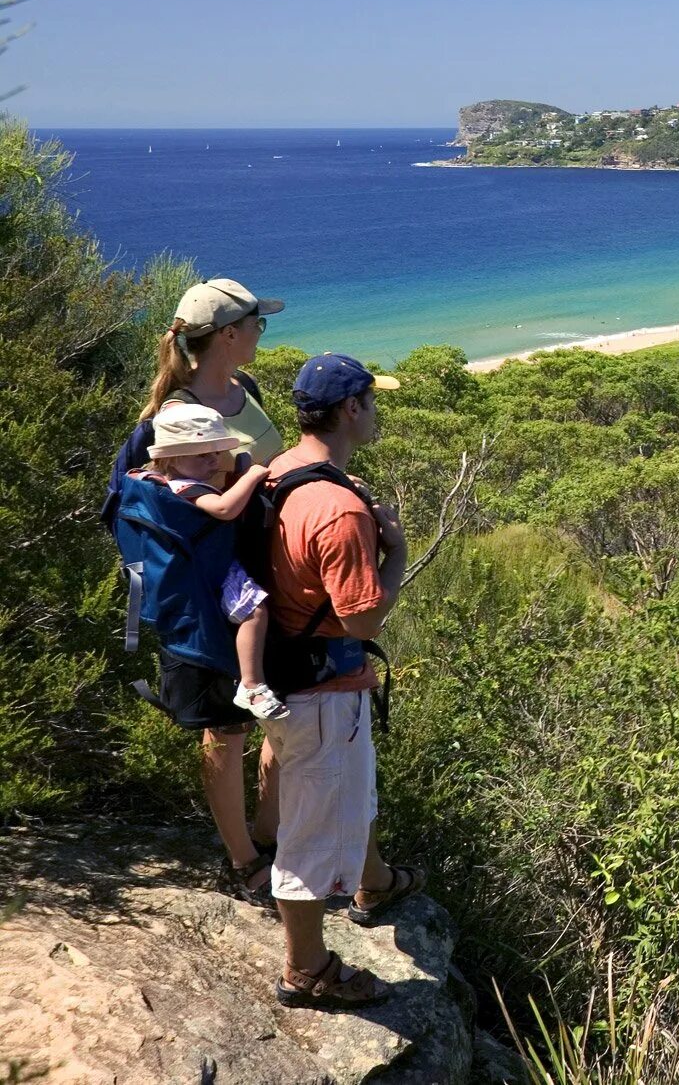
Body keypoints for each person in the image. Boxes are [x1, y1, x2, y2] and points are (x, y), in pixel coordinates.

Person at [106, 277, 288, 906]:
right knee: (225, 730)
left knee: (278, 717)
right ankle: (244, 859)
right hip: (209, 597)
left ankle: (269, 836)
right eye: (257, 324)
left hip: (265, 579)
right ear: (230, 334)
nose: (264, 333)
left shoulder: (248, 391)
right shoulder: (166, 418)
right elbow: (130, 510)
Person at [263, 353, 424, 1011]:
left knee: (349, 796)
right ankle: (307, 971)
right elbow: (361, 617)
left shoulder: (280, 472)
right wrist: (399, 555)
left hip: (284, 676)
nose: (378, 412)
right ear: (351, 409)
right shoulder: (338, 509)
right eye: (373, 401)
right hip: (323, 695)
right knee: (310, 834)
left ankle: (374, 883)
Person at [138, 402, 288, 720]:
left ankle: (249, 680)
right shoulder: (186, 487)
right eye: (202, 454)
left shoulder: (158, 481)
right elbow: (223, 509)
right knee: (254, 612)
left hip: (197, 566)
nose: (213, 461)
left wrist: (242, 467)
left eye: (215, 452)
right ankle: (252, 684)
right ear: (172, 457)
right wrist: (254, 475)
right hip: (214, 569)